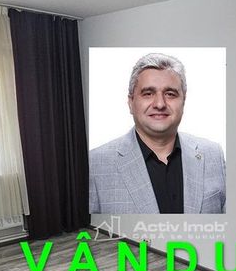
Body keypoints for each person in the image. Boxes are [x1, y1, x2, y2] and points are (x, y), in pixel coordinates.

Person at [89, 53, 226, 214]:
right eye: (148, 93)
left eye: (170, 94)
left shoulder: (213, 155)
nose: (160, 104)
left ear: (183, 101)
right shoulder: (95, 164)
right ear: (131, 102)